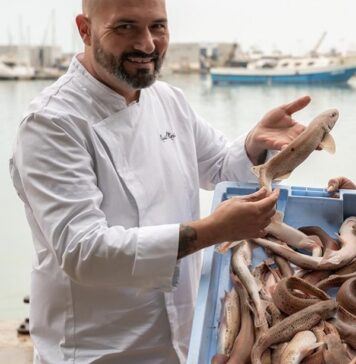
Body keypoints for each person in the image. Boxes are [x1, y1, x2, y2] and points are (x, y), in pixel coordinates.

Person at [9, 0, 312, 363]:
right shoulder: (52, 124)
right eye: (125, 27)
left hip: (185, 339)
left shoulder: (168, 100)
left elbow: (218, 167)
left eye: (158, 26)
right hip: (98, 352)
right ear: (85, 30)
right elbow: (84, 252)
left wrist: (253, 144)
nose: (148, 44)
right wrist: (211, 231)